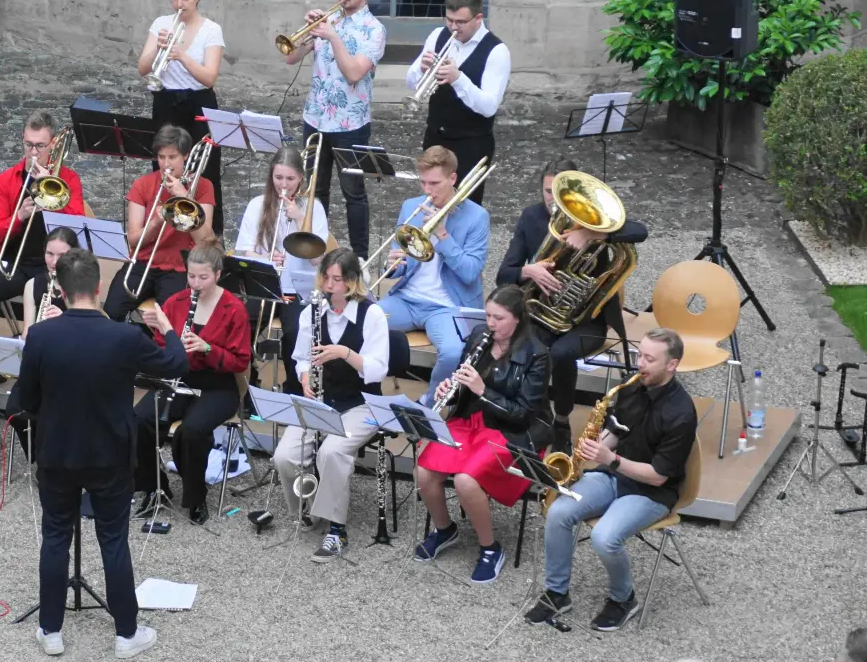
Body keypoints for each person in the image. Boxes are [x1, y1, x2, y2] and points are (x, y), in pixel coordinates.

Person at [8, 248, 186, 660]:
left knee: (55, 536)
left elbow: (27, 398)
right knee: (113, 540)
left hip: (57, 450)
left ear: (62, 291)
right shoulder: (124, 337)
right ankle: (126, 632)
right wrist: (168, 328)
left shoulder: (41, 335)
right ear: (99, 288)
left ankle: (50, 629)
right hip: (109, 454)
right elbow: (175, 365)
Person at [526, 327, 698, 631]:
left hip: (650, 493)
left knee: (604, 537)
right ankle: (556, 593)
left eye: (648, 358)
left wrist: (611, 460)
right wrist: (597, 446)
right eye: (639, 355)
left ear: (672, 365)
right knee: (558, 512)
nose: (639, 364)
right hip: (614, 474)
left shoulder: (681, 413)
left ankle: (623, 599)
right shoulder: (633, 387)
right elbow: (617, 430)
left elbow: (658, 477)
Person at [497, 157, 649, 453]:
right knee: (531, 352)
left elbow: (640, 231)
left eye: (559, 193)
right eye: (547, 192)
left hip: (588, 320)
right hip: (543, 314)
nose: (553, 201)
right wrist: (529, 271)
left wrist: (592, 233)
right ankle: (539, 420)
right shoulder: (531, 218)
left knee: (561, 354)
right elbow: (504, 274)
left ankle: (562, 422)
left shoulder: (593, 217)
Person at [413, 286, 552, 584]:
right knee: (424, 470)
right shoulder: (479, 337)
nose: (490, 324)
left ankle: (490, 548)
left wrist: (482, 390)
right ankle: (445, 529)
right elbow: (463, 389)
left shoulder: (537, 355)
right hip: (472, 421)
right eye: (488, 315)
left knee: (466, 479)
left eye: (498, 318)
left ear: (518, 318)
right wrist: (450, 393)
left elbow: (524, 413)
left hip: (511, 432)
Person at [270, 249, 389, 561]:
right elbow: (300, 358)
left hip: (361, 403)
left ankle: (337, 529)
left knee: (332, 452)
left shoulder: (371, 314)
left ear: (351, 282)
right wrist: (306, 378)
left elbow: (378, 369)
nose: (330, 285)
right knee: (284, 456)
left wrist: (344, 353)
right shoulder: (313, 311)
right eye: (326, 278)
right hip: (322, 400)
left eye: (338, 279)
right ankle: (308, 509)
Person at [133, 241, 251, 525]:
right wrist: (160, 333)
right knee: (139, 419)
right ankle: (154, 487)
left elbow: (240, 361)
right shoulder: (176, 302)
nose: (195, 283)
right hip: (179, 377)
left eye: (203, 277)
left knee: (193, 430)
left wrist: (207, 348)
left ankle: (195, 496)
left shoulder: (234, 309)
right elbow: (161, 348)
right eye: (191, 276)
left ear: (218, 275)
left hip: (217, 383)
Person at [284, 0, 385, 260]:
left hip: (349, 123)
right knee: (315, 191)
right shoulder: (329, 21)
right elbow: (290, 58)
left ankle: (361, 258)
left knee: (353, 193)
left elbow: (354, 73)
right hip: (315, 118)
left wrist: (333, 36)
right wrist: (308, 33)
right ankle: (315, 250)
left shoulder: (374, 30)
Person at [377, 145, 489, 397]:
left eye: (435, 183)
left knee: (451, 352)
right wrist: (391, 265)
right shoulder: (410, 207)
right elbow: (396, 263)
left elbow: (470, 272)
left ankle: (429, 407)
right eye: (423, 182)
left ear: (453, 178)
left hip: (447, 306)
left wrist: (442, 234)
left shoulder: (477, 217)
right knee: (360, 321)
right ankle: (367, 392)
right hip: (407, 299)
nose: (428, 190)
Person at [0, 111, 87, 334]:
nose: (33, 153)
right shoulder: (6, 180)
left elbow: (77, 229)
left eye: (40, 146)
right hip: (16, 262)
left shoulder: (69, 179)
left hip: (54, 264)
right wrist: (19, 216)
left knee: (49, 304)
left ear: (53, 144)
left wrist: (53, 200)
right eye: (28, 145)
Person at [233, 146, 331, 395]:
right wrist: (266, 257)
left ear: (301, 178)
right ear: (271, 176)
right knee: (239, 320)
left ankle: (295, 390)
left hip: (297, 288)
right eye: (278, 178)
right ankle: (247, 384)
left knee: (297, 330)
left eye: (290, 178)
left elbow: (318, 260)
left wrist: (300, 219)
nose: (284, 184)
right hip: (265, 282)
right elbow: (244, 252)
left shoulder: (313, 208)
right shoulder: (257, 204)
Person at [406, 0, 510, 206]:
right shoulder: (437, 35)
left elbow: (489, 106)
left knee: (465, 207)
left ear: (478, 18)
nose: (453, 28)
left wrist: (459, 79)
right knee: (430, 202)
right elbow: (411, 81)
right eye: (449, 20)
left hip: (471, 143)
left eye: (460, 22)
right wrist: (420, 69)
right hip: (435, 138)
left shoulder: (497, 51)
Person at [102, 125, 217, 322]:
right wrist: (155, 222)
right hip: (143, 261)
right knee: (111, 311)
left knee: (169, 320)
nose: (166, 164)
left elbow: (205, 240)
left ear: (186, 156)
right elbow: (133, 241)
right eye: (161, 157)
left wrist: (186, 198)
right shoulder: (143, 184)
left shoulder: (204, 186)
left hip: (179, 267)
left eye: (172, 157)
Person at [137, 0, 225, 207]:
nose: (179, 4)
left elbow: (209, 78)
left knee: (204, 168)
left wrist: (181, 56)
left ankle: (208, 230)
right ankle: (165, 218)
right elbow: (143, 68)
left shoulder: (212, 30)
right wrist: (158, 47)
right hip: (166, 100)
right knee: (164, 164)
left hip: (199, 102)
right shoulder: (161, 24)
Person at [21, 227, 81, 335]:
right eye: (49, 254)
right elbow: (27, 332)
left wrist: (65, 321)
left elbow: (88, 332)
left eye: (62, 255)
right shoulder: (32, 285)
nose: (54, 262)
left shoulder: (83, 285)